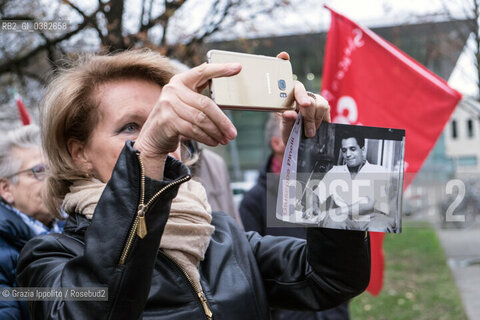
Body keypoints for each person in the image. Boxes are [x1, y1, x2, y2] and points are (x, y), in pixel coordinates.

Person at [16, 49, 370, 319]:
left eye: (166, 118)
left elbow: (332, 280)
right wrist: (148, 151)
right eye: (131, 127)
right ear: (79, 153)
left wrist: (317, 162)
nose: (166, 136)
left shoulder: (222, 236)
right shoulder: (48, 257)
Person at [240, 114, 350, 320]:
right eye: (302, 137)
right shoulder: (254, 200)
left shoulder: (324, 187)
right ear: (277, 143)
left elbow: (342, 257)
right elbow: (250, 271)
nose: (314, 144)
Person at [0, 125, 62, 320]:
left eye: (56, 169)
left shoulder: (77, 228)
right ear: (6, 189)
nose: (54, 179)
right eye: (39, 171)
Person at [310, 132, 395, 232]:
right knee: (333, 223)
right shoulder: (335, 172)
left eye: (353, 149)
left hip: (374, 218)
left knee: (377, 227)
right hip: (345, 219)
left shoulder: (379, 170)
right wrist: (314, 207)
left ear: (362, 150)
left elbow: (369, 203)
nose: (348, 154)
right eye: (344, 150)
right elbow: (315, 194)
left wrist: (337, 211)